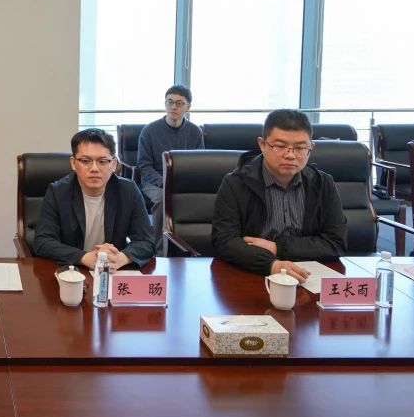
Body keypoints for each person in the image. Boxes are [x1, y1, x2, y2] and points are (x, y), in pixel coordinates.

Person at [211, 109, 347, 280]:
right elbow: (224, 241)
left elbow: (336, 242)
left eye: (300, 148)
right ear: (262, 144)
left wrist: (278, 248)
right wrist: (272, 265)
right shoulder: (236, 183)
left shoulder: (322, 183)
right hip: (253, 272)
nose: (290, 155)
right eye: (280, 146)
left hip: (309, 274)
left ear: (311, 147)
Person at [32, 128, 160, 269]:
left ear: (114, 164)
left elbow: (147, 241)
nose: (94, 168)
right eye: (85, 161)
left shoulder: (128, 191)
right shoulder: (58, 192)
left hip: (112, 271)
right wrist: (83, 257)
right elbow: (42, 241)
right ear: (73, 163)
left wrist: (121, 258)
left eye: (102, 161)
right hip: (72, 271)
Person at [135, 84, 204, 211]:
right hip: (155, 181)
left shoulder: (195, 132)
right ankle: (160, 226)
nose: (173, 107)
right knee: (163, 199)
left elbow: (199, 164)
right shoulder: (149, 131)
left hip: (184, 180)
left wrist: (185, 182)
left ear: (188, 107)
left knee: (200, 198)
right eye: (170, 102)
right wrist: (165, 182)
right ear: (165, 103)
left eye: (179, 103)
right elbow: (144, 165)